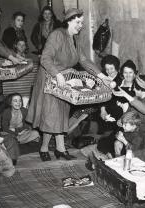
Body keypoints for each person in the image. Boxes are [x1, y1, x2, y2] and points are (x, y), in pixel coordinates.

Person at [26, 8, 108, 162]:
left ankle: (59, 149)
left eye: (82, 22)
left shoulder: (74, 39)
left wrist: (102, 75)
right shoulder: (57, 35)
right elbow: (45, 58)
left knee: (61, 115)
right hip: (50, 79)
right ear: (69, 21)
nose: (81, 25)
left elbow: (83, 60)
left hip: (65, 80)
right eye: (78, 22)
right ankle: (47, 148)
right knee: (51, 116)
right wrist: (57, 74)